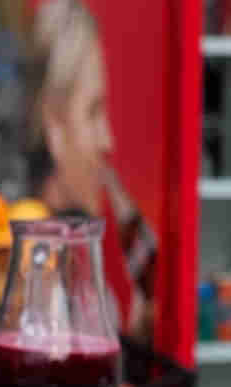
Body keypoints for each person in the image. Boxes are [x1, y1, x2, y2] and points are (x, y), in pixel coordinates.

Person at [28, 0, 156, 342]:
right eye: (93, 113)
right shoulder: (43, 263)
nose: (108, 139)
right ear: (54, 125)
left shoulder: (85, 244)